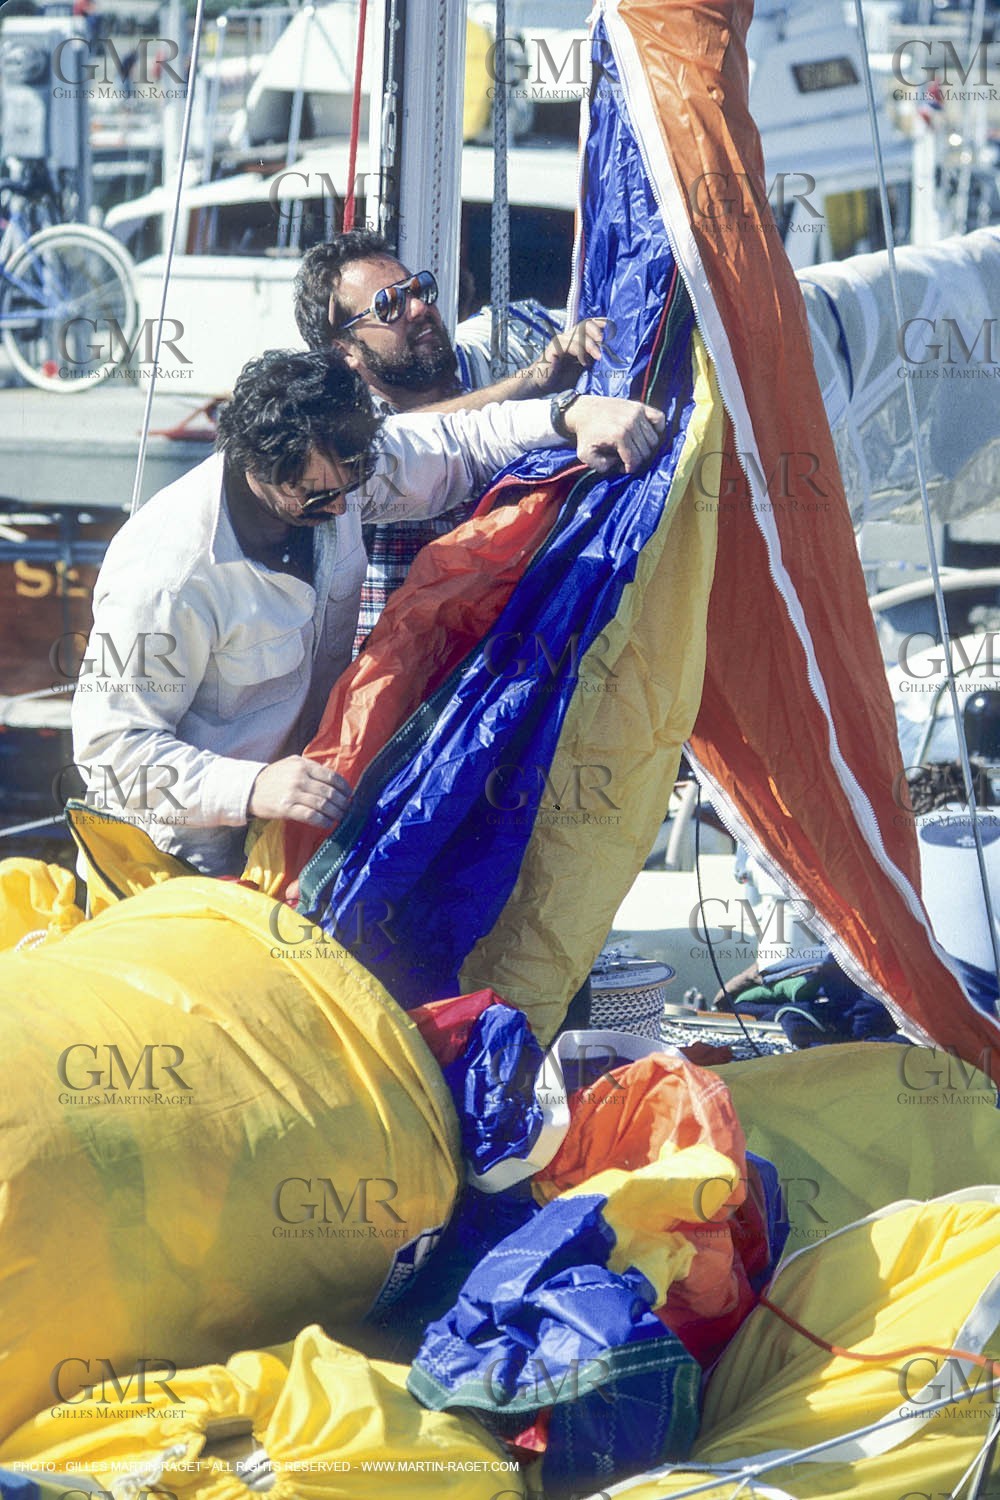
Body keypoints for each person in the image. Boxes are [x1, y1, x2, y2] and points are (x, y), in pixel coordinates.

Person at [72, 348, 665, 878]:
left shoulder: (336, 469)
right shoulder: (167, 574)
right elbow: (110, 754)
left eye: (350, 487)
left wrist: (568, 416)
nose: (340, 510)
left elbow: (457, 444)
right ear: (258, 468)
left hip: (292, 848)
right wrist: (251, 786)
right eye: (318, 497)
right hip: (176, 866)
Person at [293, 232, 605, 649]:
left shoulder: (492, 353)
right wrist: (536, 389)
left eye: (419, 289)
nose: (421, 308)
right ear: (346, 349)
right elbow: (407, 440)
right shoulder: (342, 433)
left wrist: (587, 332)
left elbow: (565, 319)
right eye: (390, 305)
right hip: (406, 686)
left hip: (523, 656)